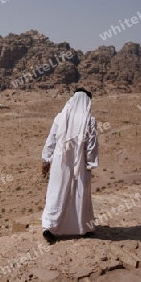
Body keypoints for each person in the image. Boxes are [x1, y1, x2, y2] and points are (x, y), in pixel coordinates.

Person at [41, 88, 99, 244]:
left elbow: (51, 140)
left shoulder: (60, 117)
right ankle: (82, 228)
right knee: (79, 196)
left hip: (59, 165)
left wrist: (46, 160)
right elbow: (91, 146)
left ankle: (49, 227)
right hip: (79, 165)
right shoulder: (89, 120)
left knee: (56, 194)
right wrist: (90, 163)